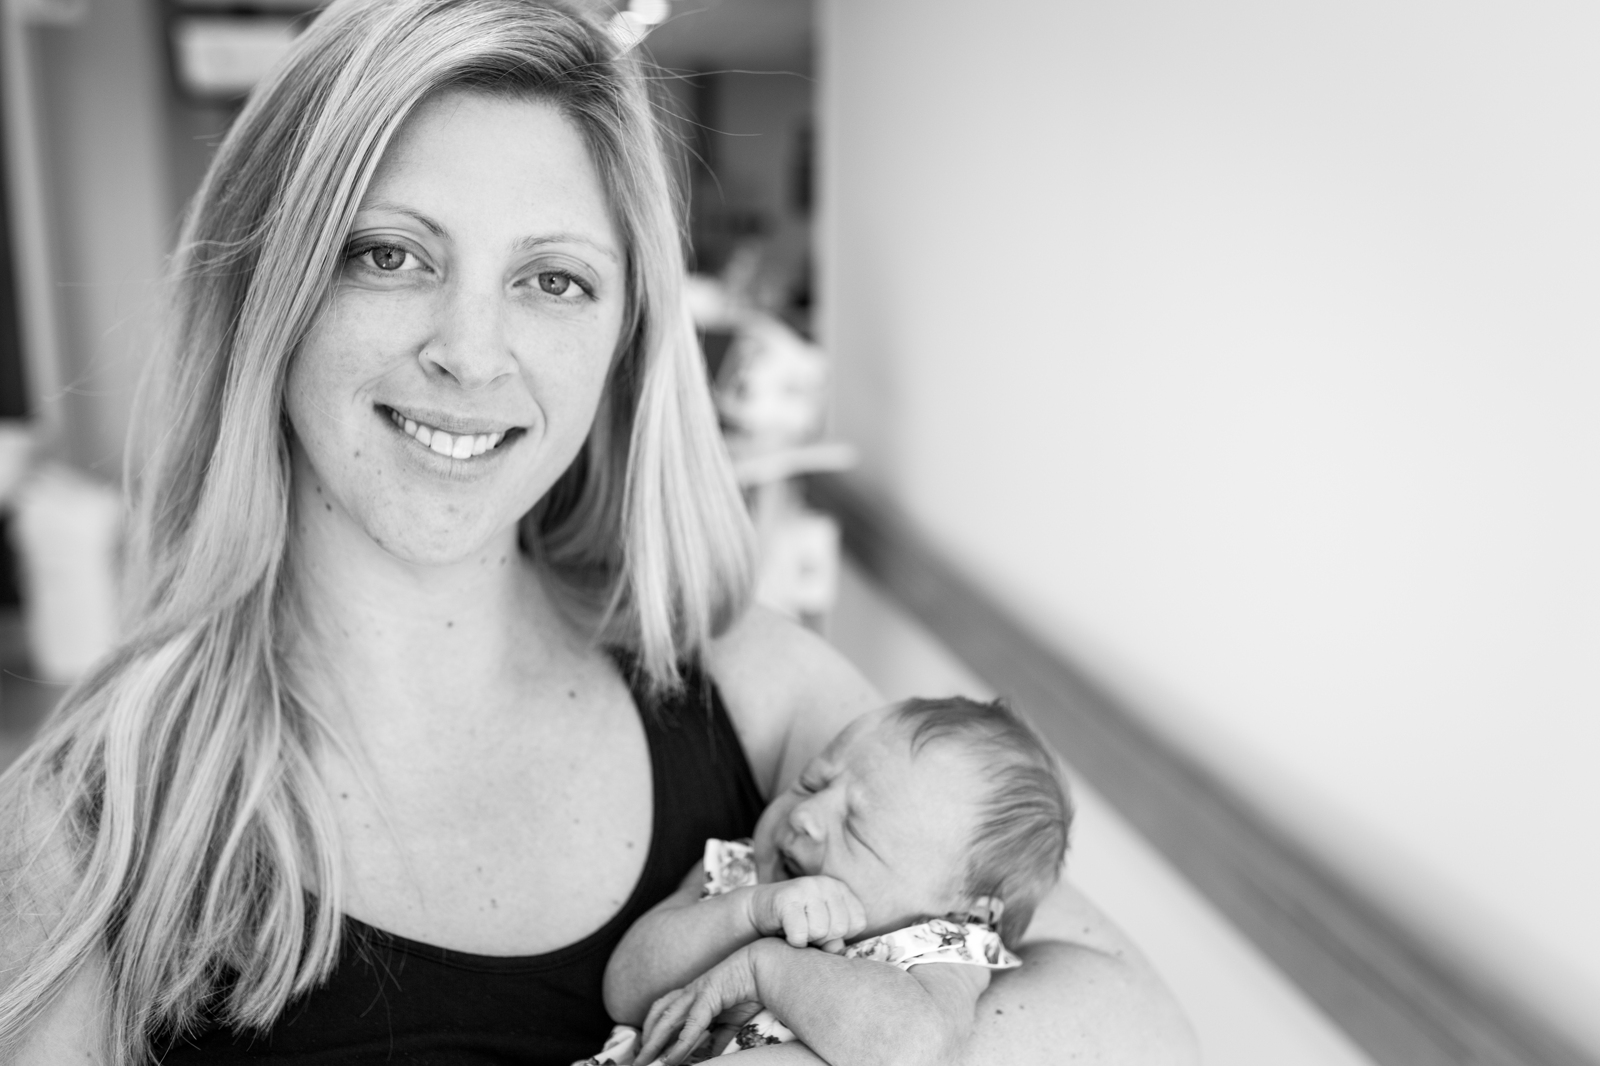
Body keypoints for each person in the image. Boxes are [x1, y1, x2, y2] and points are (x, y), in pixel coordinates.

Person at [0, 1, 1195, 1064]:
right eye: (388, 253)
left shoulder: (743, 681)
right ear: (268, 291)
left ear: (623, 344)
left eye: (553, 280)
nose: (471, 352)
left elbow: (1136, 1026)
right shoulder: (84, 829)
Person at [586, 695, 1070, 1066]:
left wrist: (764, 968)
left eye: (856, 828)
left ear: (966, 910)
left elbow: (907, 1052)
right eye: (811, 784)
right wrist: (747, 913)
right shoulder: (742, 872)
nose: (805, 815)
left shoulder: (941, 951)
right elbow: (624, 989)